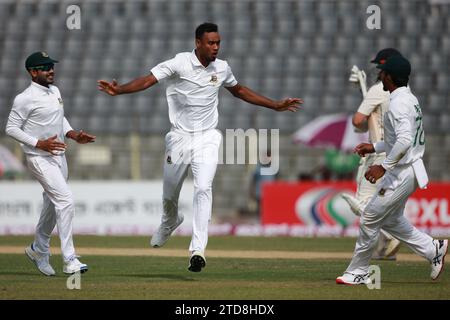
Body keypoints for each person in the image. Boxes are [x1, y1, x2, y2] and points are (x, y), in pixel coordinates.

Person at [98, 22, 302, 272]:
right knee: (170, 194)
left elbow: (238, 91)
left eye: (218, 43)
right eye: (211, 43)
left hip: (207, 137)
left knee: (203, 187)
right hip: (179, 137)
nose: (216, 47)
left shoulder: (222, 68)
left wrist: (275, 105)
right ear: (198, 43)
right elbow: (148, 80)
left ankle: (198, 249)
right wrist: (120, 91)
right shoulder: (179, 63)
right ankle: (169, 221)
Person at [336, 55, 448, 285]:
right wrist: (374, 146)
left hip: (403, 170)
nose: (379, 76)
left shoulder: (398, 103)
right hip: (410, 168)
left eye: (382, 73)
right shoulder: (409, 98)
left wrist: (382, 166)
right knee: (391, 220)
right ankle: (432, 248)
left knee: (369, 216)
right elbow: (399, 139)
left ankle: (359, 270)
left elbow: (405, 141)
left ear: (390, 77)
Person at [5, 52, 96, 276]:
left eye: (51, 66)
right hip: (39, 158)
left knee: (52, 204)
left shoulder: (54, 91)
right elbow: (11, 128)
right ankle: (70, 259)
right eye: (45, 67)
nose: (51, 70)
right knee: (65, 201)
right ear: (33, 72)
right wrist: (39, 144)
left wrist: (72, 133)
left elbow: (59, 118)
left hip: (58, 156)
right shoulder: (24, 98)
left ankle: (39, 249)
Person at [341, 48, 403, 260]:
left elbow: (358, 122)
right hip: (398, 152)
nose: (379, 72)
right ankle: (384, 248)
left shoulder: (378, 90)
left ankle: (390, 233)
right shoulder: (405, 93)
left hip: (378, 153)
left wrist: (365, 95)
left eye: (381, 68)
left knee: (364, 201)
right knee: (387, 201)